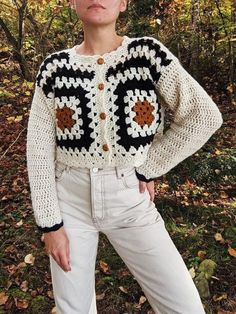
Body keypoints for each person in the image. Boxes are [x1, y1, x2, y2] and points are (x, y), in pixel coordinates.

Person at [26, 0, 223, 313]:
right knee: (73, 308)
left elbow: (204, 116)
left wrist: (150, 165)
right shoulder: (54, 69)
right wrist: (50, 225)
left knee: (184, 306)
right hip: (69, 202)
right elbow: (38, 151)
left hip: (130, 198)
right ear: (72, 2)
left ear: (123, 3)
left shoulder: (146, 54)